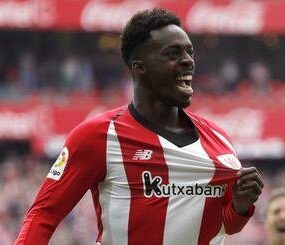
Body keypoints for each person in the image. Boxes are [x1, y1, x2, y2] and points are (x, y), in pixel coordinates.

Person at [15, 8, 264, 245]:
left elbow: (229, 224)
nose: (188, 61)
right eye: (172, 53)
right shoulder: (99, 137)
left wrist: (241, 205)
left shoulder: (218, 139)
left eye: (190, 52)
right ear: (139, 67)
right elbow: (43, 216)